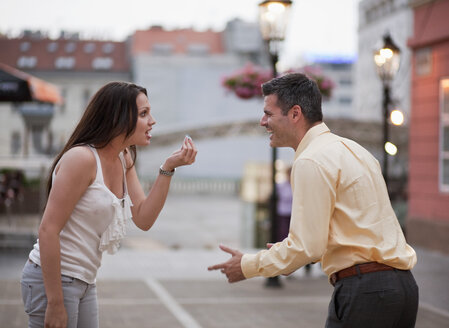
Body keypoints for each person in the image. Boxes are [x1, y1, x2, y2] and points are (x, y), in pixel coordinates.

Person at [208, 73, 418, 327]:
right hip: (403, 289)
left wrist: (248, 265)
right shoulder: (356, 151)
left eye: (268, 113)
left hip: (365, 291)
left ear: (295, 114)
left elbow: (307, 247)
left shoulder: (311, 160)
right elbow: (354, 228)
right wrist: (293, 247)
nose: (262, 121)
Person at [20, 81, 197, 328]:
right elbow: (48, 230)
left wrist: (168, 167)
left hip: (85, 280)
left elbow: (144, 219)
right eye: (144, 113)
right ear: (119, 118)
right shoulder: (82, 158)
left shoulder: (123, 157)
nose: (152, 121)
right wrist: (55, 302)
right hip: (53, 280)